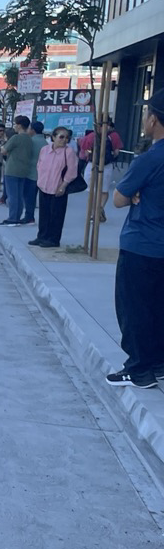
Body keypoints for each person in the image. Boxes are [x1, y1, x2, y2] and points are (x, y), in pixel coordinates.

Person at [106, 90, 164, 389]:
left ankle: (139, 370)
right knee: (159, 308)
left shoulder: (150, 158)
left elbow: (118, 198)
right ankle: (158, 363)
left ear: (153, 119)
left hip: (142, 244)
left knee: (135, 309)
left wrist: (135, 194)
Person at [31, 127, 78, 249]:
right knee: (44, 213)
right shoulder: (44, 150)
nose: (64, 140)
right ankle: (42, 236)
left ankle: (53, 239)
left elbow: (72, 171)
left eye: (67, 138)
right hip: (44, 186)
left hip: (58, 187)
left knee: (56, 215)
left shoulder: (68, 152)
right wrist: (40, 180)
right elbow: (39, 165)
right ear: (53, 137)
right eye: (61, 137)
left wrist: (63, 185)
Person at [0, 116, 38, 226]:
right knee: (19, 195)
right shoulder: (29, 139)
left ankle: (13, 218)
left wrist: (3, 148)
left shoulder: (16, 138)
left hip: (12, 169)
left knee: (12, 195)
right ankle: (17, 217)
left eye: (15, 124)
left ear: (19, 125)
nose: (14, 126)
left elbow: (4, 150)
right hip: (24, 170)